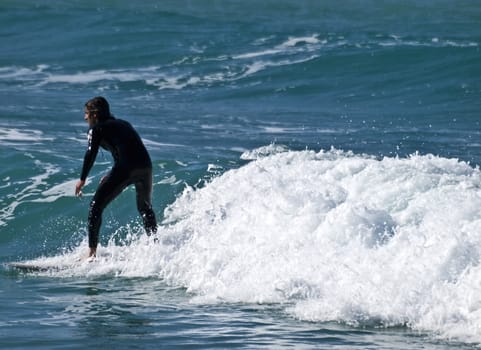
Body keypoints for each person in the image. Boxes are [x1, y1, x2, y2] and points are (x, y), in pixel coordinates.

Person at [75, 96, 157, 258]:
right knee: (145, 207)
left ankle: (91, 254)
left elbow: (91, 153)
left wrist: (82, 179)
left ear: (95, 114)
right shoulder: (123, 124)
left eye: (86, 114)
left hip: (126, 167)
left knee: (95, 206)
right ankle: (156, 245)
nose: (85, 117)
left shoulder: (96, 129)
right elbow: (127, 149)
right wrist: (112, 174)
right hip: (145, 166)